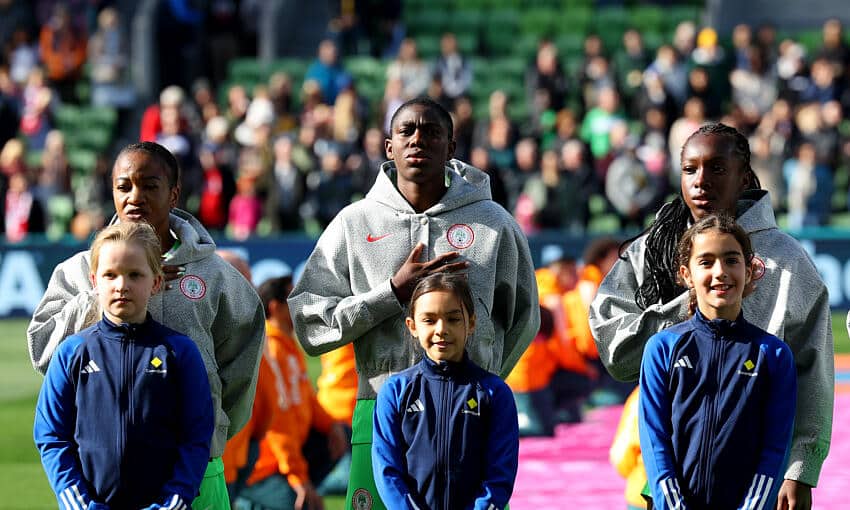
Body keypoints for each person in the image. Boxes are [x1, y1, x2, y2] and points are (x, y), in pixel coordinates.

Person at [288, 97, 539, 510]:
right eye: (406, 131)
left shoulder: (494, 224)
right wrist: (390, 295)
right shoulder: (355, 223)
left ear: (451, 147)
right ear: (389, 146)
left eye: (432, 131)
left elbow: (522, 320)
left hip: (470, 410)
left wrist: (480, 377)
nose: (418, 139)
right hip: (378, 412)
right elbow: (309, 323)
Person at [589, 123, 833, 510]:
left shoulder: (788, 262)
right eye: (690, 169)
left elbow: (814, 369)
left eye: (717, 168)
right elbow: (615, 352)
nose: (701, 181)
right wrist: (691, 305)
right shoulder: (653, 249)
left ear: (745, 177)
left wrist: (800, 470)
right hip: (669, 477)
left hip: (759, 483)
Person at [28, 141, 266, 510]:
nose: (135, 196)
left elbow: (242, 365)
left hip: (197, 473)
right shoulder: (78, 271)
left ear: (173, 194)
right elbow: (43, 350)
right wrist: (100, 292)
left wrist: (213, 427)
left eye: (149, 185)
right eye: (124, 186)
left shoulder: (215, 275)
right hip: (101, 480)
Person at [34, 221, 214, 509]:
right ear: (95, 281)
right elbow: (51, 436)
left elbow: (197, 436)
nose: (121, 286)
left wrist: (173, 500)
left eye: (134, 275)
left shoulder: (180, 353)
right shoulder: (71, 352)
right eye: (110, 275)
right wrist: (81, 504)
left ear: (155, 282)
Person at [639, 214, 796, 508]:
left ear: (749, 271)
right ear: (686, 274)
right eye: (706, 262)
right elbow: (654, 440)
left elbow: (775, 448)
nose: (720, 271)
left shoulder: (773, 355)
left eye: (732, 260)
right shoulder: (662, 349)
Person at [372, 273, 519, 509]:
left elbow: (500, 473)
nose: (441, 329)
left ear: (470, 323)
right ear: (412, 327)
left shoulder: (495, 393)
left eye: (453, 319)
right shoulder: (395, 390)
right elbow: (387, 469)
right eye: (429, 320)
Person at [238, 275, 348, 510]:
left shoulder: (286, 345)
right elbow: (278, 425)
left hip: (285, 457)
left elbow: (306, 397)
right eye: (293, 300)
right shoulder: (273, 350)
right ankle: (248, 499)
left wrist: (332, 426)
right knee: (303, 504)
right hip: (264, 465)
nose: (302, 305)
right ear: (275, 308)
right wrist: (299, 479)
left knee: (341, 434)